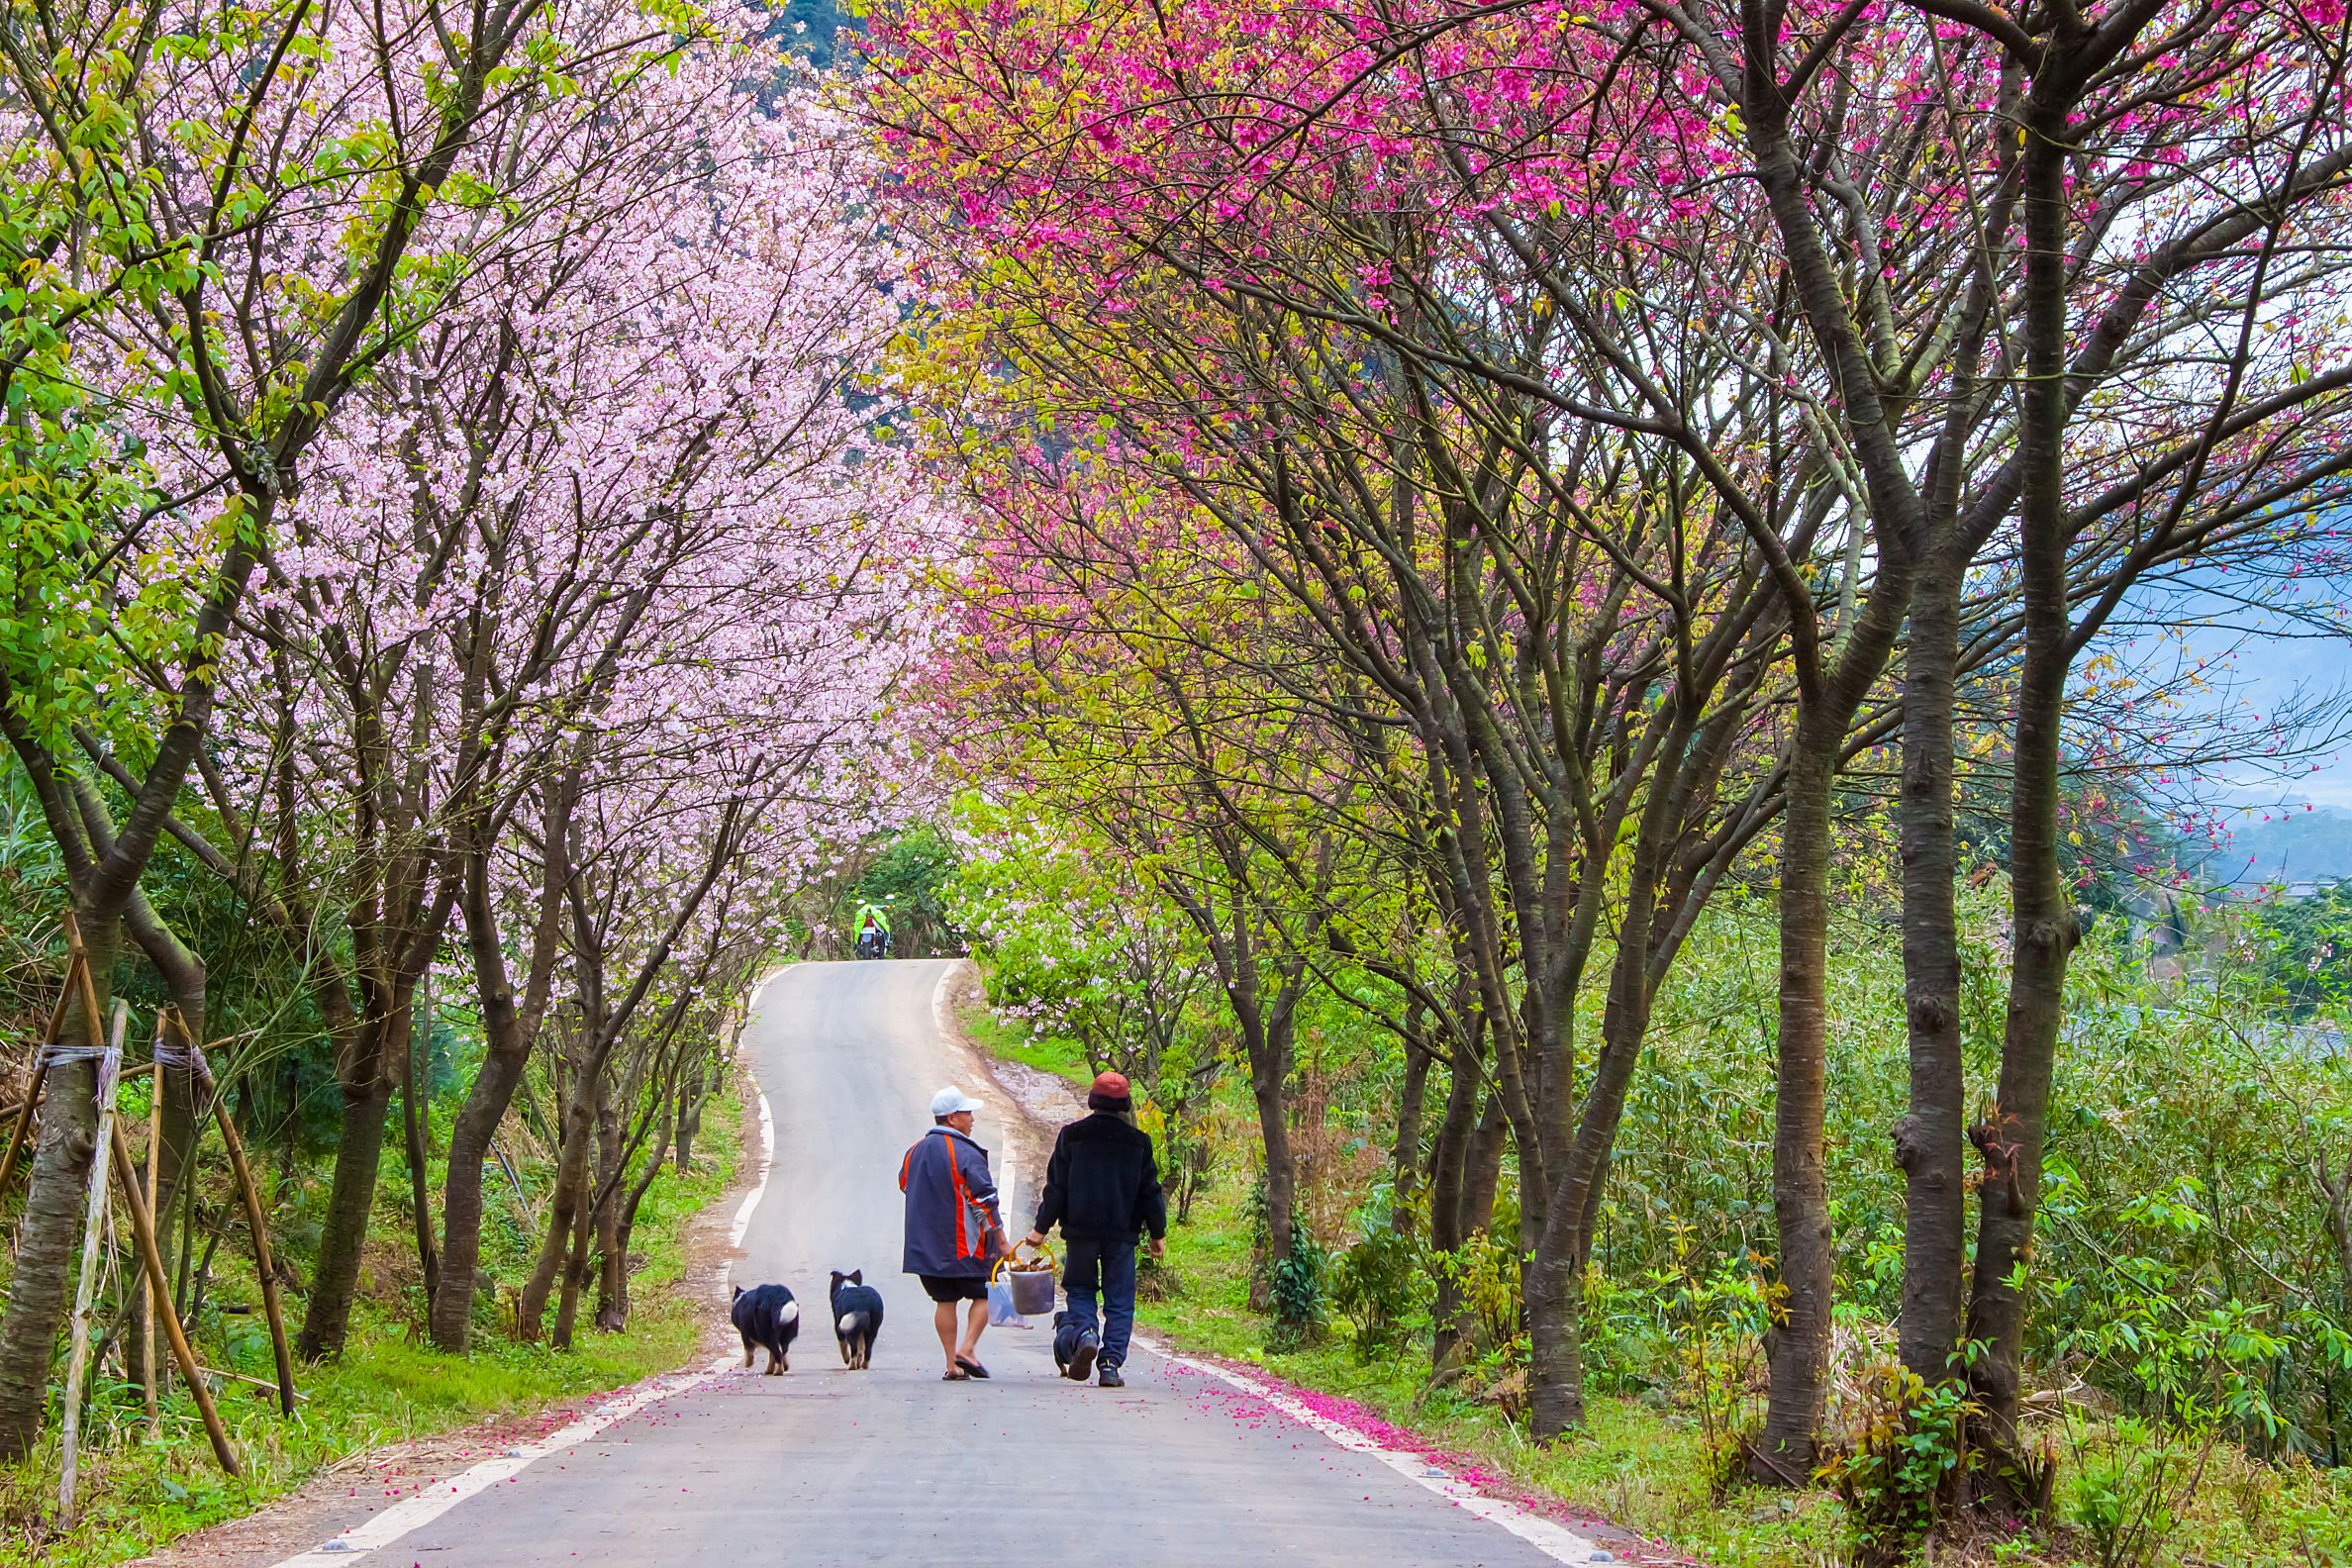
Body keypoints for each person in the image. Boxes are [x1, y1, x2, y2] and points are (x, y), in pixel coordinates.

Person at [1023, 1070, 1166, 1388]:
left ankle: (1086, 1332)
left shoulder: (1072, 1136)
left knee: (1082, 1289)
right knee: (1120, 1300)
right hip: (1122, 1235)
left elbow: (1056, 1188)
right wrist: (1158, 1233)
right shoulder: (1139, 1142)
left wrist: (1041, 1228)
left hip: (1081, 1233)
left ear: (1093, 1100)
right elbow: (1150, 1191)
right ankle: (1111, 1363)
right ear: (1125, 1104)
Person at [900, 1086, 1006, 1381]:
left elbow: (904, 1183)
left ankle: (951, 1364)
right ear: (951, 1118)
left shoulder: (915, 1150)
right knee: (986, 1292)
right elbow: (984, 1200)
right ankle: (967, 1349)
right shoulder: (965, 1153)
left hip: (926, 1247)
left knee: (944, 1300)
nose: (972, 1119)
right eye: (967, 1113)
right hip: (965, 1246)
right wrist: (1001, 1240)